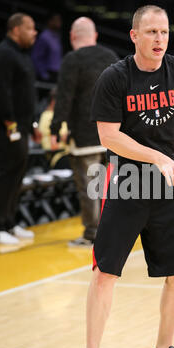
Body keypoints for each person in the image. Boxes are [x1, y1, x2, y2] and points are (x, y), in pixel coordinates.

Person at [68, 5, 174, 348]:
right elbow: (108, 136)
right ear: (134, 36)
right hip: (127, 181)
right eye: (151, 32)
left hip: (170, 185)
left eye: (164, 32)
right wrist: (157, 156)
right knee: (105, 272)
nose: (159, 39)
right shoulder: (115, 77)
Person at [50, 17, 119, 247]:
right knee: (109, 186)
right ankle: (112, 232)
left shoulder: (72, 59)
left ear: (72, 37)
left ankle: (92, 234)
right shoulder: (110, 56)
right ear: (95, 35)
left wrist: (55, 127)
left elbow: (64, 98)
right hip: (112, 134)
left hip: (84, 134)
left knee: (89, 187)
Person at [0, 13, 38, 245]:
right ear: (16, 29)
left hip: (22, 126)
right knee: (6, 173)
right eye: (30, 28)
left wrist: (31, 125)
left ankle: (9, 221)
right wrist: (10, 123)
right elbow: (0, 92)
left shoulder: (20, 54)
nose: (34, 32)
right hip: (6, 127)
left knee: (17, 173)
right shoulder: (3, 53)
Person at [31, 13, 63, 83]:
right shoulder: (44, 37)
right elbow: (37, 57)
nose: (59, 22)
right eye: (56, 20)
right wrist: (44, 74)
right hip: (48, 74)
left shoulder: (57, 37)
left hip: (56, 74)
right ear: (50, 21)